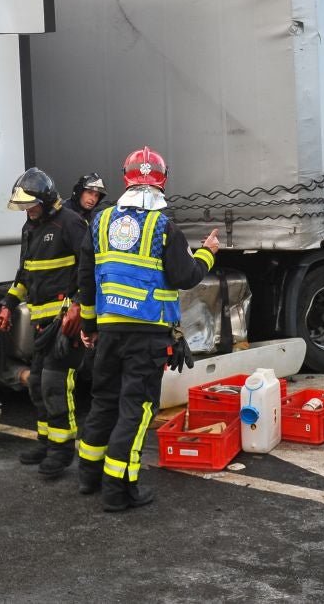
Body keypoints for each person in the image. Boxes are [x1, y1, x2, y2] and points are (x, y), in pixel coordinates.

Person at [75, 146, 220, 512]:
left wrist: (89, 325)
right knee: (135, 411)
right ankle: (119, 491)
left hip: (108, 332)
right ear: (162, 180)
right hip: (148, 335)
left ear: (126, 178)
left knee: (104, 403)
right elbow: (185, 277)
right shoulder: (162, 226)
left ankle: (88, 478)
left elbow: (86, 278)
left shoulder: (101, 222)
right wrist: (208, 253)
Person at [0, 168, 89, 477]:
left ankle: (62, 450)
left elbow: (90, 269)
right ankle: (47, 441)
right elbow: (25, 273)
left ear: (46, 200)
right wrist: (8, 304)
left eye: (31, 205)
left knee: (55, 384)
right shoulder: (30, 227)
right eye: (24, 206)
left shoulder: (71, 223)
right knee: (36, 384)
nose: (28, 211)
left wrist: (77, 305)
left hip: (65, 323)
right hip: (41, 323)